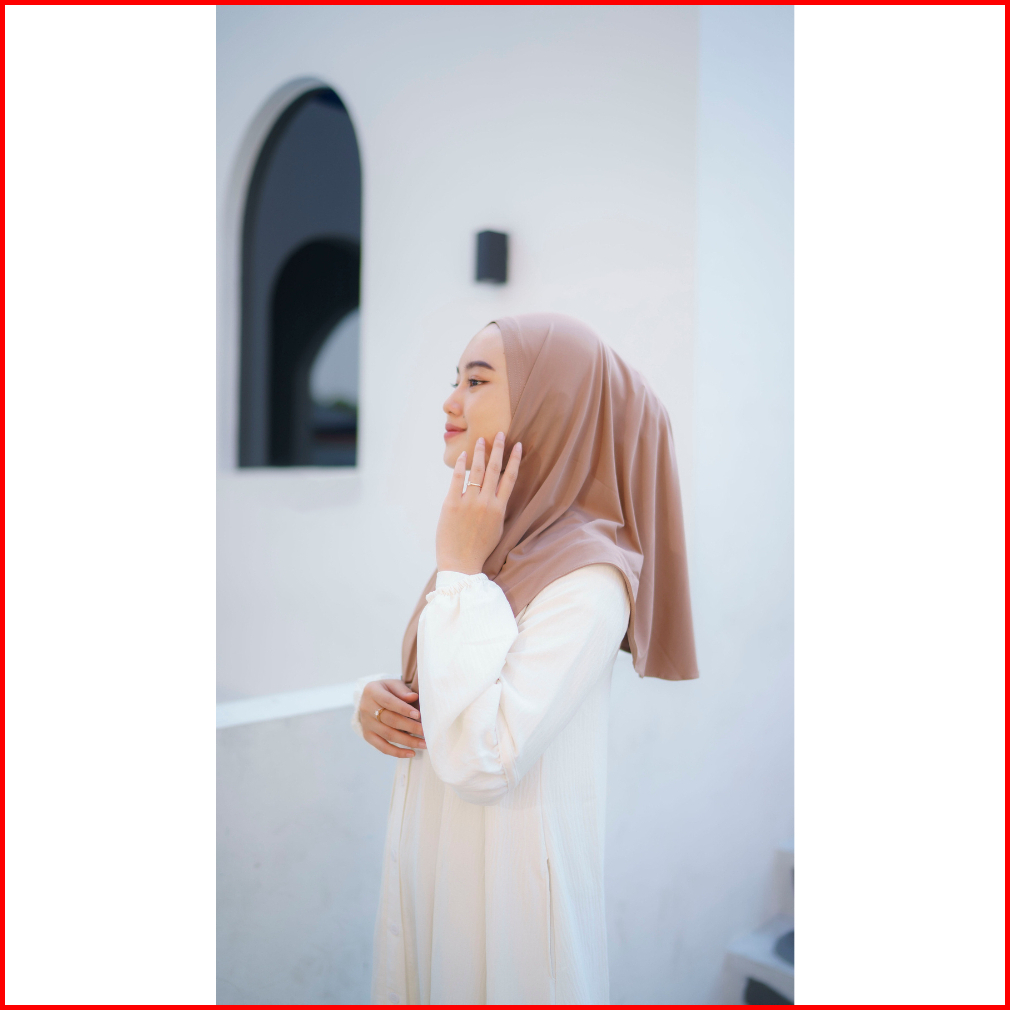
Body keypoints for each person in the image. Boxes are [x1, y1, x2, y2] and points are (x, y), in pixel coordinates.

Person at [352, 313, 698, 1004]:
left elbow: (485, 759)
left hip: (509, 929)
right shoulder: (497, 543)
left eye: (477, 381)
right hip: (443, 890)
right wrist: (382, 701)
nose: (451, 401)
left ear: (551, 404)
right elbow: (462, 688)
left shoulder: (588, 578)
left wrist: (458, 569)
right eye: (456, 379)